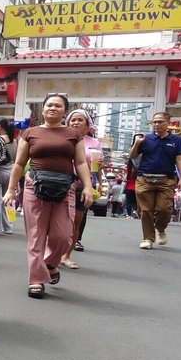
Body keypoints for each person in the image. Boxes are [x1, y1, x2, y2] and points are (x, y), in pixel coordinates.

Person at [3, 94, 93, 299]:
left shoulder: (73, 135)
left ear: (64, 111)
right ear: (43, 109)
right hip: (35, 186)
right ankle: (36, 279)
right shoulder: (30, 133)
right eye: (49, 105)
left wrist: (88, 186)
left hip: (65, 188)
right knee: (36, 235)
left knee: (63, 235)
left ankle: (50, 264)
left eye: (58, 106)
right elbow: (19, 163)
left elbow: (80, 163)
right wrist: (11, 189)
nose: (53, 108)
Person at [128, 112, 181, 249]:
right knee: (146, 210)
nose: (157, 124)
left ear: (168, 123)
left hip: (166, 180)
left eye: (160, 121)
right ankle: (148, 239)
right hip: (144, 179)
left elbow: (180, 160)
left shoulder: (176, 141)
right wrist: (137, 143)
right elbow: (132, 156)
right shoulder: (145, 139)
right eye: (154, 122)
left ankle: (160, 228)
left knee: (164, 209)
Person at [59, 109, 102, 269]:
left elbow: (97, 166)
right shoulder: (60, 138)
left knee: (75, 222)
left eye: (80, 120)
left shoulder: (94, 143)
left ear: (87, 125)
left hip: (82, 185)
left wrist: (99, 182)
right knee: (58, 221)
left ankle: (66, 256)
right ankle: (53, 253)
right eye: (73, 120)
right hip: (61, 183)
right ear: (67, 123)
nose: (76, 122)